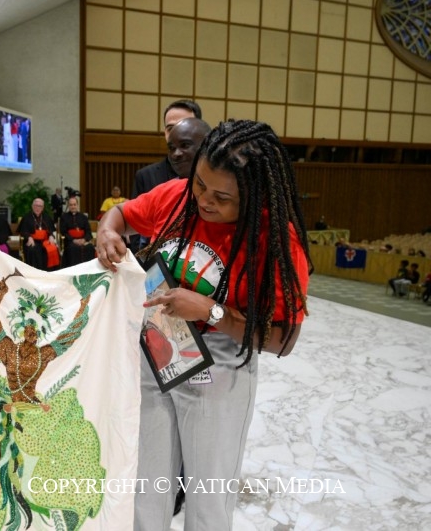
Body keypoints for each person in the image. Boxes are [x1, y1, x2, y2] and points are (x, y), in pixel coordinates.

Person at [97, 119, 311, 531]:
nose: (204, 200)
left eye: (222, 197)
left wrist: (212, 311)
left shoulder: (275, 238)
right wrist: (107, 231)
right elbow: (121, 214)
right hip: (158, 351)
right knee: (146, 490)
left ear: (253, 196)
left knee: (208, 500)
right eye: (199, 184)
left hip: (219, 368)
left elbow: (283, 341)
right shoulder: (177, 196)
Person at [132, 99, 202, 199]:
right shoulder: (146, 176)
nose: (176, 133)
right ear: (165, 133)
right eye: (171, 128)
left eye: (184, 126)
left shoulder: (211, 175)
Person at [18, 197, 58, 271]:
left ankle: (50, 272)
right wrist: (29, 237)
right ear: (32, 206)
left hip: (45, 241)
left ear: (43, 208)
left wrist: (51, 236)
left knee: (53, 249)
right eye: (36, 205)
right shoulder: (27, 217)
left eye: (40, 206)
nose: (38, 208)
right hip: (32, 241)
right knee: (32, 250)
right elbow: (23, 231)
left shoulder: (47, 217)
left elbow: (51, 230)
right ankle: (34, 272)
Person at [60, 196, 94, 267]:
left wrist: (84, 239)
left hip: (83, 240)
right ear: (68, 206)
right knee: (73, 248)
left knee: (90, 247)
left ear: (77, 205)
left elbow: (88, 231)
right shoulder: (64, 217)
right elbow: (63, 232)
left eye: (74, 204)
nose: (73, 207)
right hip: (70, 241)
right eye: (71, 205)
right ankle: (74, 270)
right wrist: (73, 240)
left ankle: (88, 269)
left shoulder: (83, 217)